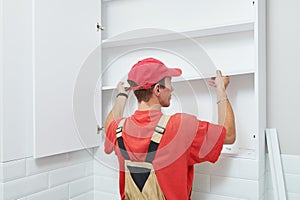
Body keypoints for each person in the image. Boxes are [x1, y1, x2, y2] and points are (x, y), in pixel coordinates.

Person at [104, 57, 236, 200]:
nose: (172, 88)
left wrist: (122, 95)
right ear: (157, 89)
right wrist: (221, 89)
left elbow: (108, 125)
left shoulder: (119, 129)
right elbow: (229, 135)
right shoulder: (180, 126)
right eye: (169, 83)